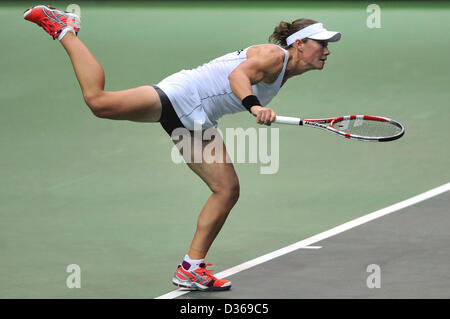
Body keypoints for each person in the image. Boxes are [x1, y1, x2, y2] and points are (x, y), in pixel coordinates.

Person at [24, 4, 341, 291]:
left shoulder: (285, 70)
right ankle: (64, 27)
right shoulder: (275, 56)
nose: (327, 50)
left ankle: (191, 268)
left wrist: (252, 105)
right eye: (321, 43)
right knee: (99, 101)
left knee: (227, 189)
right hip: (184, 95)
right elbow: (237, 76)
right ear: (299, 43)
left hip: (199, 117)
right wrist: (255, 107)